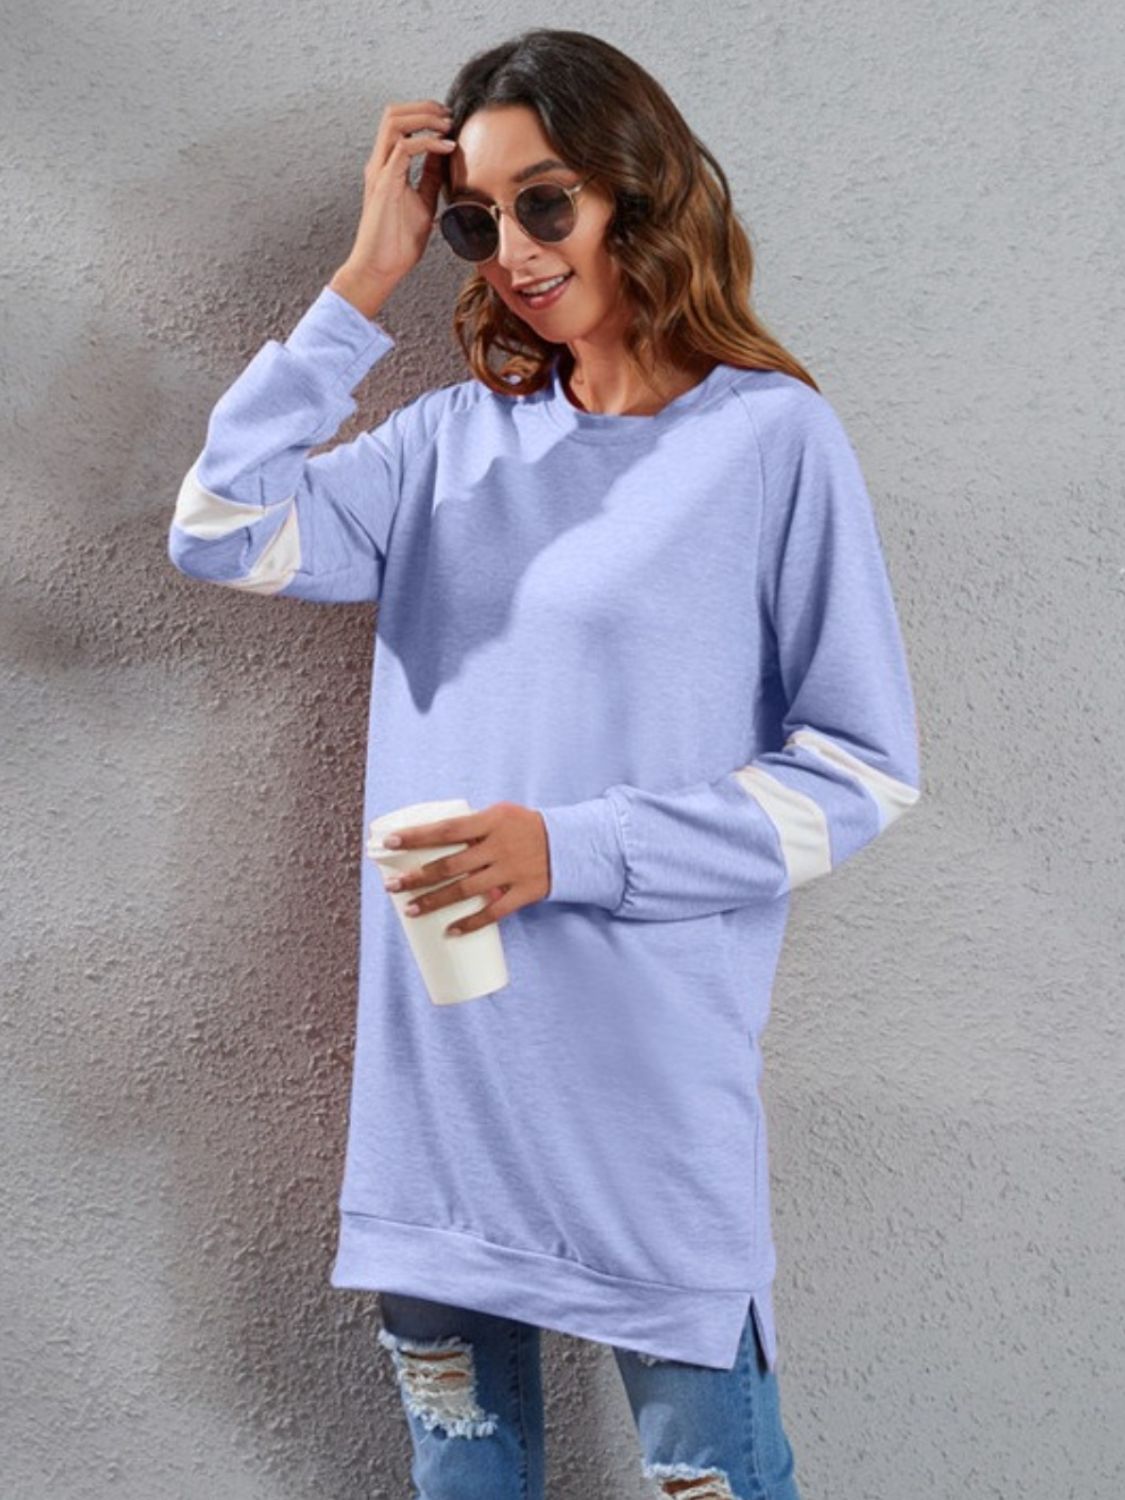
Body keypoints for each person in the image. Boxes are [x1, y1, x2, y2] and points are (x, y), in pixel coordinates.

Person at [167, 27, 922, 1500]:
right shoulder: (447, 447)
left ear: (639, 188)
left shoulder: (771, 442)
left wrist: (570, 850)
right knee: (462, 1480)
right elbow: (218, 531)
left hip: (644, 1098)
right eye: (476, 219)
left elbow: (863, 772)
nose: (511, 251)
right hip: (444, 1091)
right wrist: (364, 280)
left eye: (545, 202)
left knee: (712, 1480)